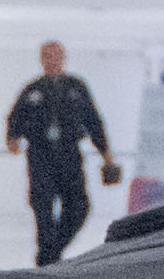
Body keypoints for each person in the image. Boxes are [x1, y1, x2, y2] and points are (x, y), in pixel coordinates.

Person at [6, 40, 115, 266]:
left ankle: (50, 253)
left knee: (79, 208)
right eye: (47, 56)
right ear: (41, 59)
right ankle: (47, 258)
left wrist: (106, 153)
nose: (52, 60)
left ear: (63, 58)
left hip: (69, 155)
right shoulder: (32, 90)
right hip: (41, 157)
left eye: (56, 56)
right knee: (43, 210)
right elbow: (15, 117)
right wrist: (13, 138)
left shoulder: (77, 87)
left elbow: (93, 121)